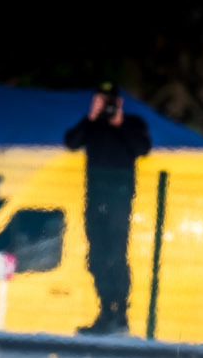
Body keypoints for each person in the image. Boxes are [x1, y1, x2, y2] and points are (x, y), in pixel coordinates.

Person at [63, 82, 152, 336]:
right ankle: (105, 311)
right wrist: (91, 116)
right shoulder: (91, 125)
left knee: (117, 254)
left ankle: (120, 313)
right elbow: (71, 141)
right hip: (95, 198)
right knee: (96, 256)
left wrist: (119, 122)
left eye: (110, 101)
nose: (107, 106)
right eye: (102, 101)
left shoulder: (132, 123)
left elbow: (142, 148)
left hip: (119, 200)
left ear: (119, 102)